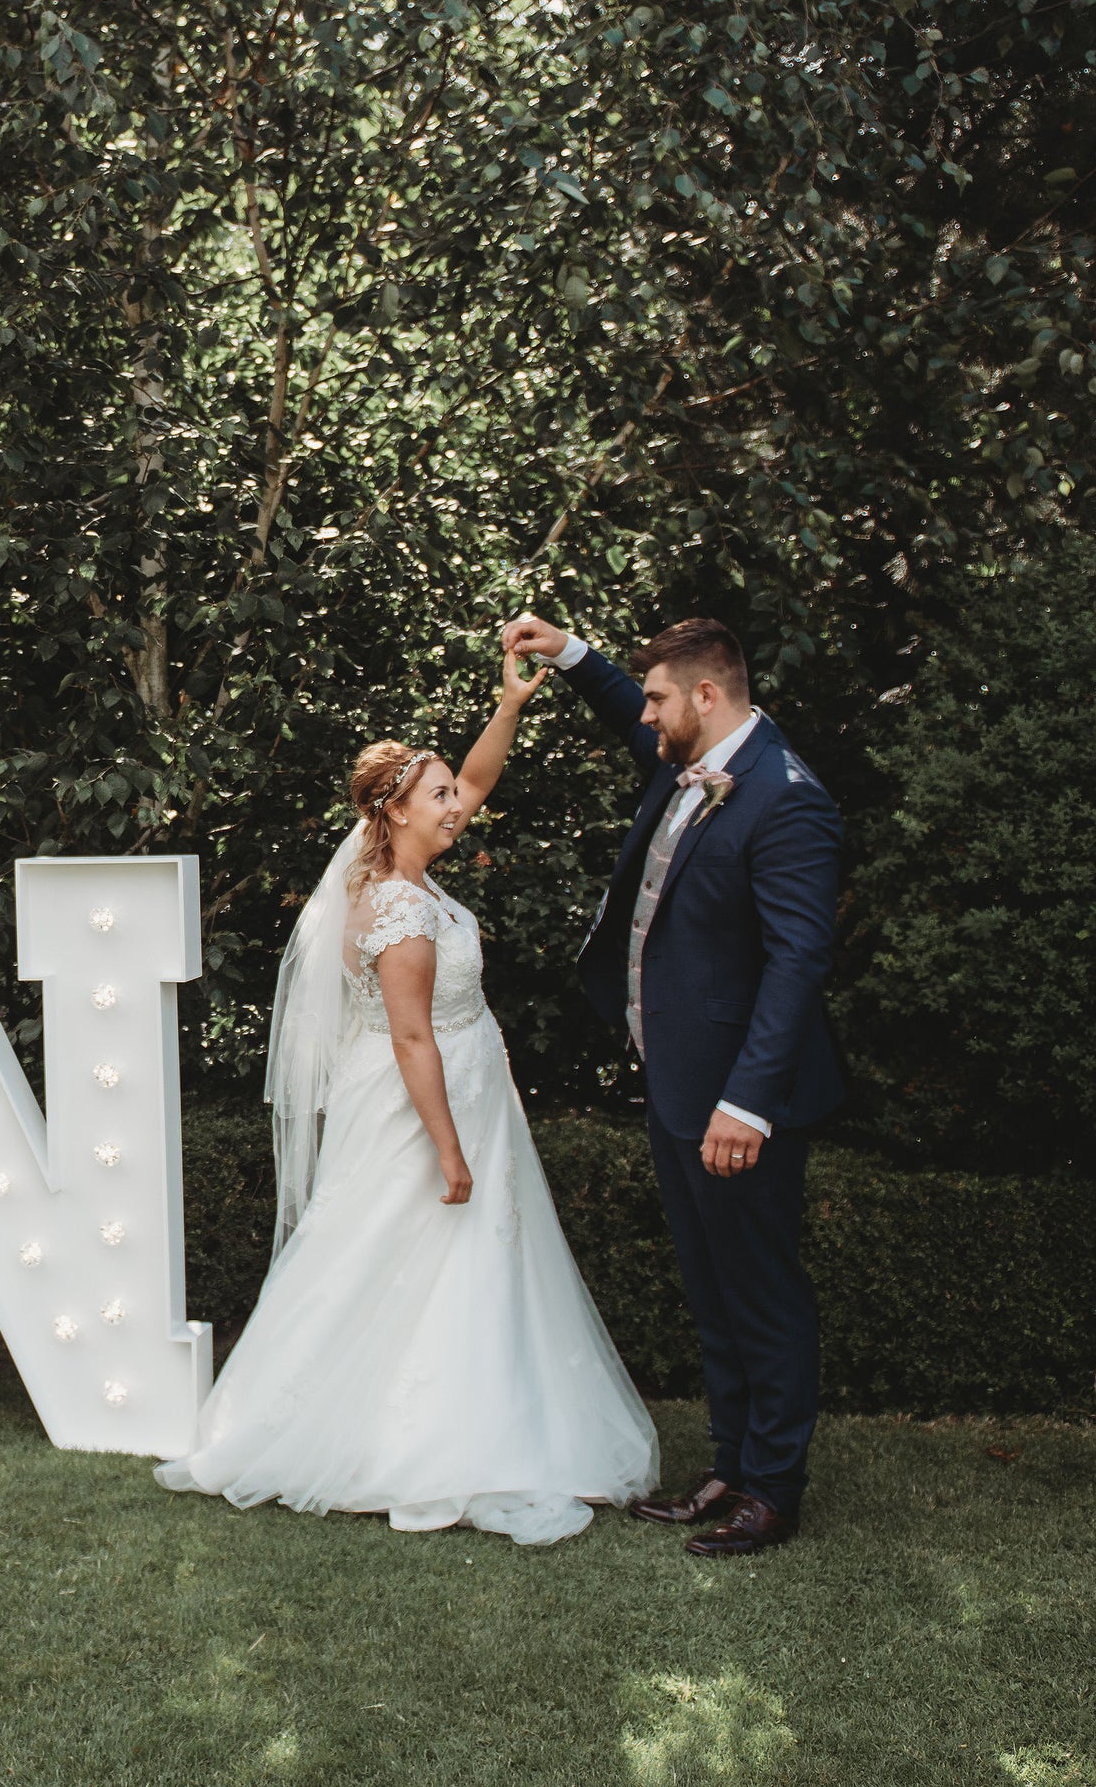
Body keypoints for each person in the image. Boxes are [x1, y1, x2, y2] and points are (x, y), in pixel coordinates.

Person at [156, 647, 657, 1543]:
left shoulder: (416, 881)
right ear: (393, 812)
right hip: (421, 1105)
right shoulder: (397, 909)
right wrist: (451, 1146)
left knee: (446, 1265)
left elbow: (476, 775)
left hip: (465, 1089)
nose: (456, 804)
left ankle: (462, 1415)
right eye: (436, 797)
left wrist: (508, 705)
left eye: (449, 796)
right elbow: (412, 1036)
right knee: (394, 1250)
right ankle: (382, 1439)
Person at [500, 613, 844, 1557]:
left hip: (739, 1103)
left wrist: (748, 1104)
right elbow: (628, 705)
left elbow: (798, 963)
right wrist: (571, 655)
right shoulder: (686, 753)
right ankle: (730, 1467)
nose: (644, 717)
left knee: (763, 1293)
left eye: (659, 699)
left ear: (706, 696)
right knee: (714, 1289)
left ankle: (773, 1489)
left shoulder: (786, 801)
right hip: (678, 1087)